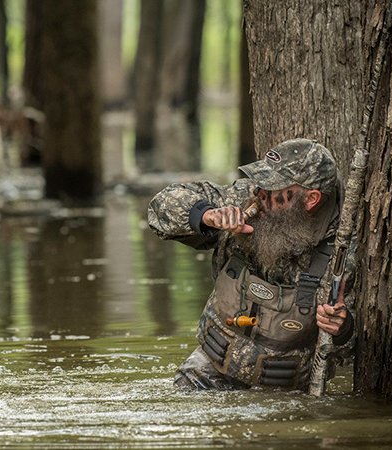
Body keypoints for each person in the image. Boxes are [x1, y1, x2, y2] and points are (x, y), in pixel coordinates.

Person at [147, 138, 353, 390]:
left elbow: (353, 348)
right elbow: (161, 206)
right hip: (208, 370)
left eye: (272, 189)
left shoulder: (343, 250)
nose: (259, 194)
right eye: (260, 183)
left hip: (285, 392)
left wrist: (342, 327)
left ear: (310, 199)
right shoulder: (243, 200)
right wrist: (207, 216)